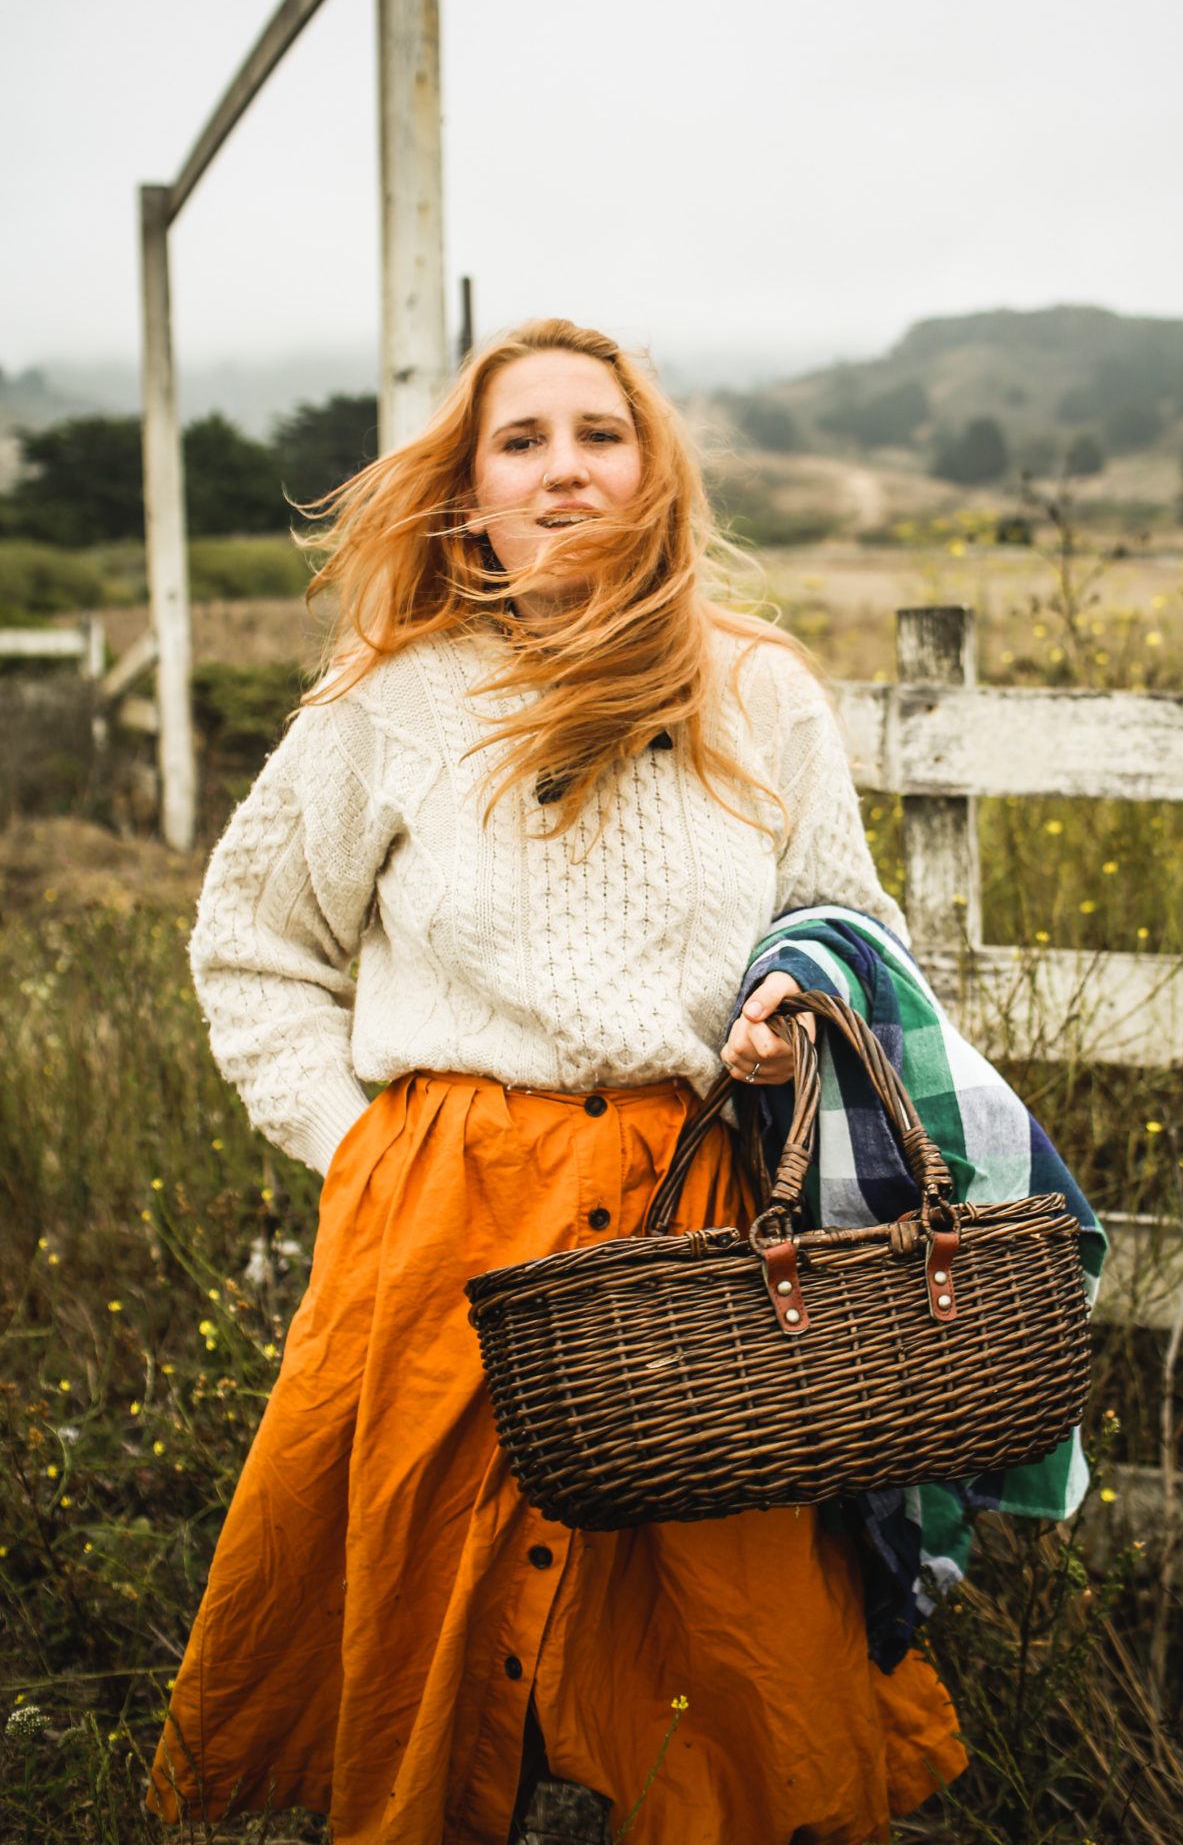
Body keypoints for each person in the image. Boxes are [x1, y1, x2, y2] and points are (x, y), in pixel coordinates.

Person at [145, 316, 966, 1844]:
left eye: (601, 434)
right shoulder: (388, 700)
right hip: (438, 1229)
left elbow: (851, 933)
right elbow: (252, 949)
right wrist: (357, 1151)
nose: (564, 469)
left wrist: (791, 1010)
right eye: (520, 442)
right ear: (468, 497)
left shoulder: (760, 690)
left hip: (697, 1235)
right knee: (428, 1642)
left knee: (732, 1656)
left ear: (656, 473)